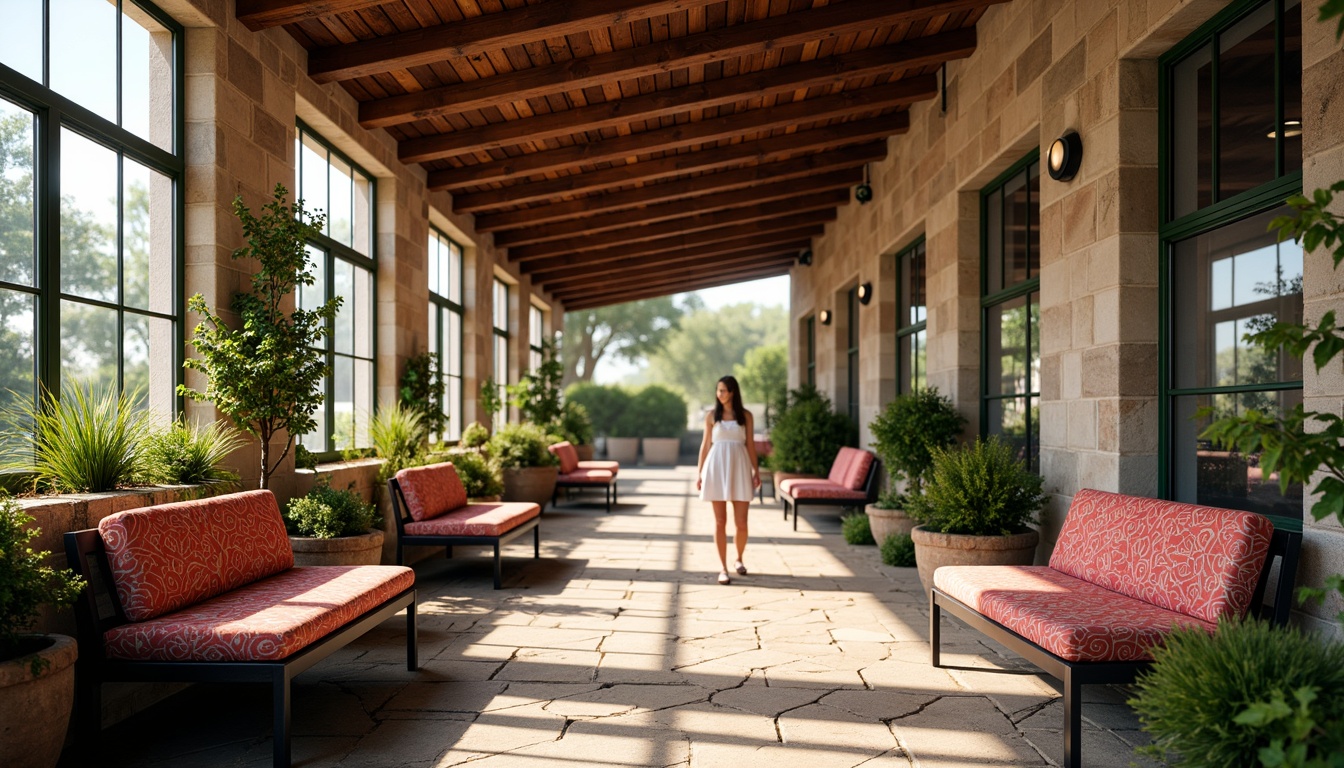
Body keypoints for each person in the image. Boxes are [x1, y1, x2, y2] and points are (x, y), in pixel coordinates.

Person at [696, 375, 761, 585]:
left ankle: (739, 559)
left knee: (741, 522)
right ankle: (723, 567)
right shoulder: (711, 416)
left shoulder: (746, 416)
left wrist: (756, 471)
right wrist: (699, 473)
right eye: (718, 390)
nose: (719, 394)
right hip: (716, 467)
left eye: (723, 390)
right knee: (720, 521)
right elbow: (705, 446)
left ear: (732, 391)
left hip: (740, 467)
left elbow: (750, 444)